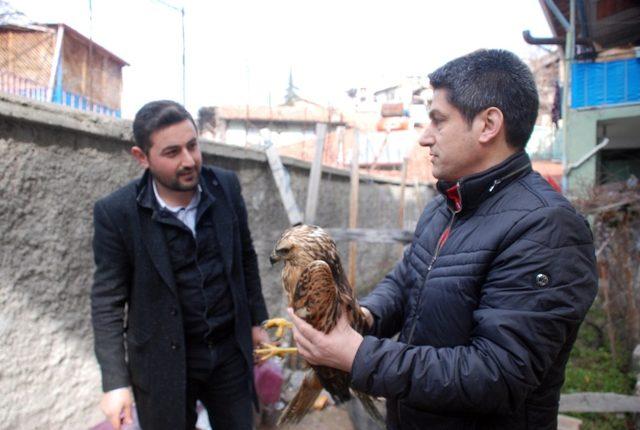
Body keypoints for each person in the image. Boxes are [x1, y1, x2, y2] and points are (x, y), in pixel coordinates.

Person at [288, 49, 598, 429]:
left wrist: (358, 354)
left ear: (488, 125)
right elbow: (405, 283)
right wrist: (360, 318)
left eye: (438, 120)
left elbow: (497, 374)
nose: (424, 137)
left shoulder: (547, 228)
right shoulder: (446, 206)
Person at [91, 100, 270, 430]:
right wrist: (115, 383)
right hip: (162, 365)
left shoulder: (226, 187)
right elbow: (107, 303)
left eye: (192, 146)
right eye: (172, 152)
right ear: (141, 157)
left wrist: (257, 320)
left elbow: (245, 256)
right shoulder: (117, 214)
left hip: (229, 355)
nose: (189, 161)